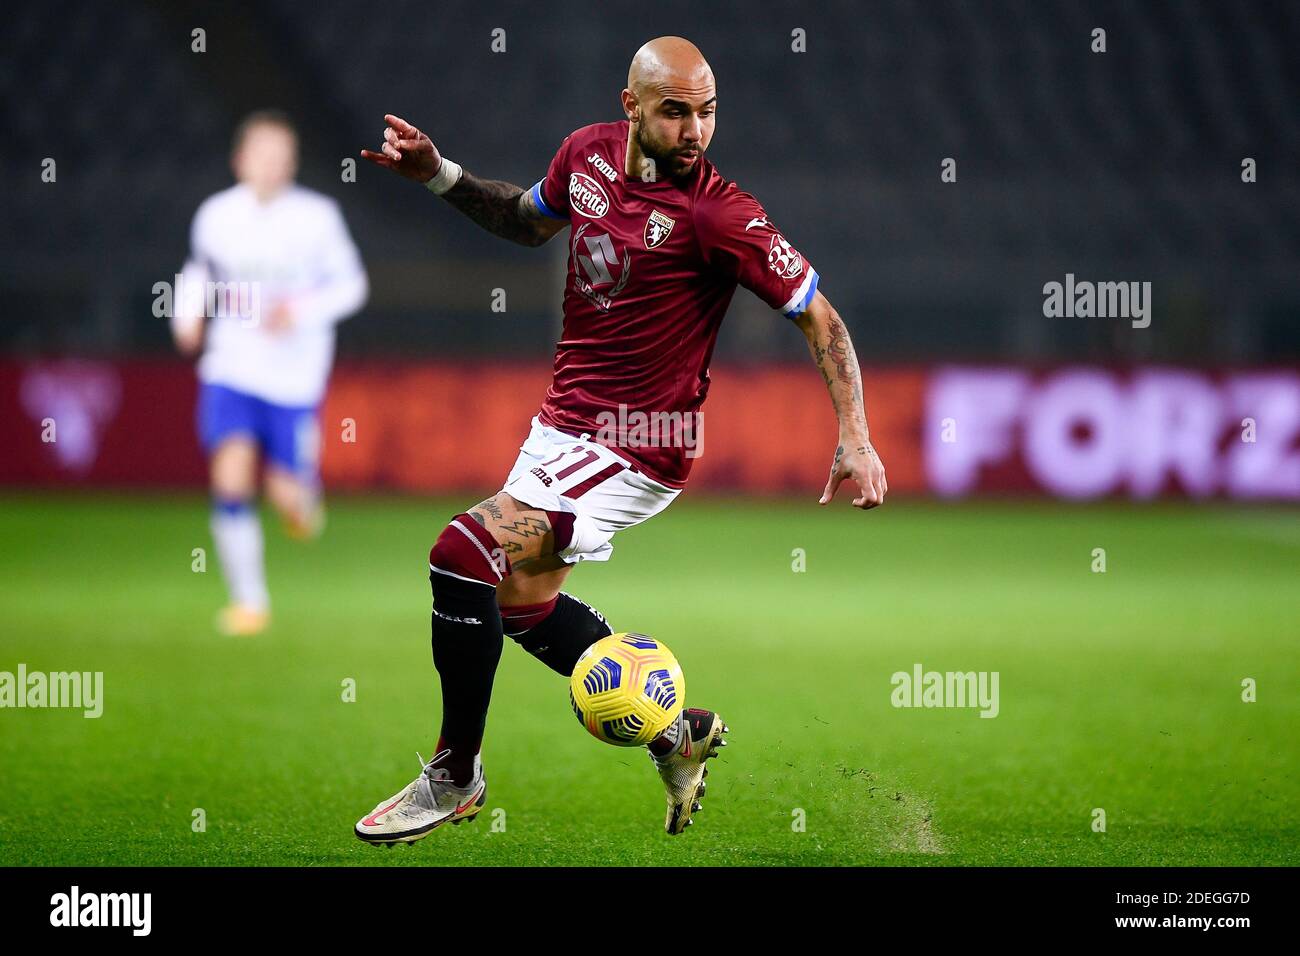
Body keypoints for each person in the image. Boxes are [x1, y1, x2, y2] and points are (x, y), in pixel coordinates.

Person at [355, 36, 886, 841]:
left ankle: (454, 775)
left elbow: (819, 313)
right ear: (630, 106)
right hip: (563, 426)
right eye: (676, 112)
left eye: (707, 113)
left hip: (638, 444)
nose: (695, 131)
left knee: (460, 553)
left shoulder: (720, 213)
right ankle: (677, 734)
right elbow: (528, 223)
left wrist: (857, 435)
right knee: (519, 604)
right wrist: (439, 173)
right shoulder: (586, 155)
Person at [171, 110, 368, 636]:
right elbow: (199, 272)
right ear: (241, 160)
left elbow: (352, 286)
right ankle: (249, 602)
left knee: (287, 496)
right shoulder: (215, 215)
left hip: (294, 379)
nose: (272, 165)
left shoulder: (317, 217)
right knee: (230, 475)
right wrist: (186, 315)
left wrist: (298, 312)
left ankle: (302, 498)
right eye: (262, 155)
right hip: (230, 369)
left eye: (282, 157)